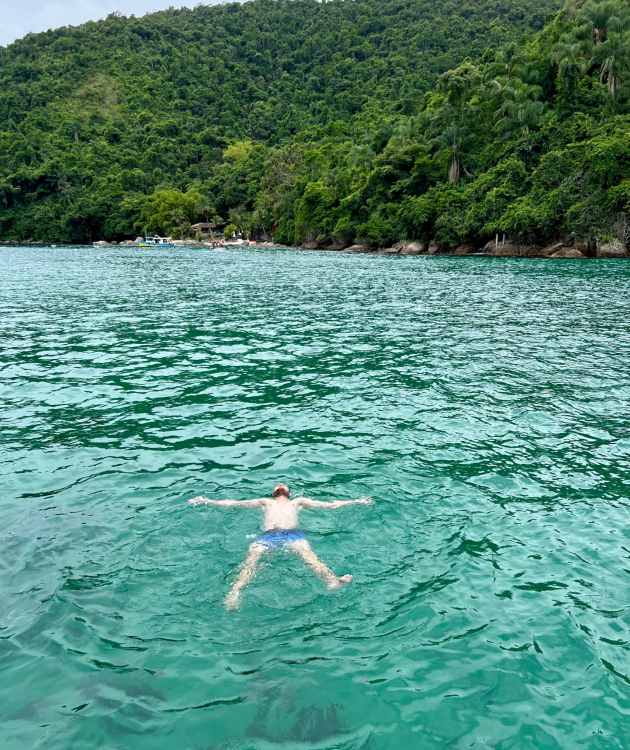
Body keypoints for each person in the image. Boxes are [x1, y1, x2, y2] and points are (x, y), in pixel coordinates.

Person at [189, 484, 373, 609]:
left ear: (289, 492)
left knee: (309, 556)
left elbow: (330, 506)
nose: (280, 485)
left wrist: (356, 501)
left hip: (291, 534)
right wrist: (207, 501)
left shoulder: (298, 502)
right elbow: (233, 503)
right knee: (251, 562)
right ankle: (234, 593)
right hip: (268, 535)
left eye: (283, 485)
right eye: (277, 485)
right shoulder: (265, 502)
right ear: (274, 493)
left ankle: (331, 581)